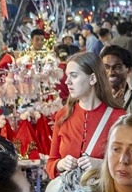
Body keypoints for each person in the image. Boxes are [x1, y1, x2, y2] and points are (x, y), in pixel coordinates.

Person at [46, 52, 125, 181]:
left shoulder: (118, 117)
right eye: (67, 76)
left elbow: (128, 166)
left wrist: (101, 165)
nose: (67, 82)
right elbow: (51, 163)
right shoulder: (63, 115)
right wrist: (60, 164)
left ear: (92, 78)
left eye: (74, 76)